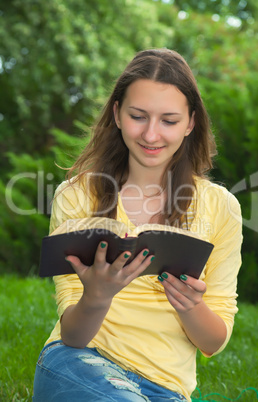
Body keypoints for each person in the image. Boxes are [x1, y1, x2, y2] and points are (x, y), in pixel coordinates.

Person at [33, 48, 243, 402]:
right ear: (117, 114)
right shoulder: (76, 194)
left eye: (169, 121)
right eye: (138, 116)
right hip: (79, 362)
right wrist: (97, 297)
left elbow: (213, 342)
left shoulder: (222, 208)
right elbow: (73, 335)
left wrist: (191, 306)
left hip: (165, 389)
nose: (151, 134)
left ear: (191, 123)